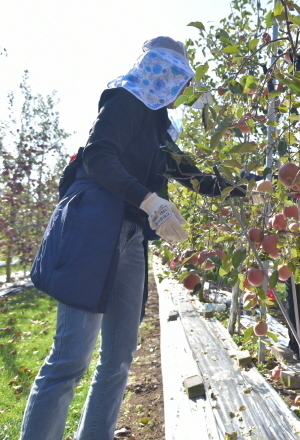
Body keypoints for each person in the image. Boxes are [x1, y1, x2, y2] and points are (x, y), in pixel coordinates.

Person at [21, 36, 245, 440]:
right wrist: (149, 200)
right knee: (70, 359)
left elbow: (191, 175)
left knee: (120, 358)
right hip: (93, 231)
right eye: (180, 79)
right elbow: (98, 156)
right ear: (164, 74)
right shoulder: (123, 100)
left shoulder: (159, 126)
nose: (183, 91)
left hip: (130, 239)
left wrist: (249, 187)